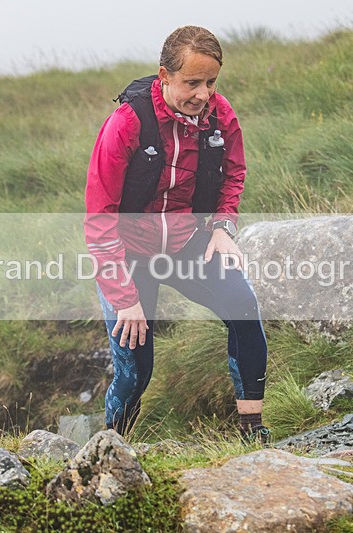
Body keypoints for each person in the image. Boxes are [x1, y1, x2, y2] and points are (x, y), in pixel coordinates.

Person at [83, 26, 269, 443]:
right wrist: (124, 296)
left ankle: (253, 435)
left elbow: (234, 173)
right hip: (128, 255)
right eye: (192, 83)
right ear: (164, 75)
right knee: (136, 370)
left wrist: (222, 225)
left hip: (187, 243)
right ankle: (111, 449)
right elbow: (99, 218)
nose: (203, 94)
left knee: (243, 306)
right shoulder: (127, 123)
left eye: (211, 82)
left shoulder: (220, 115)